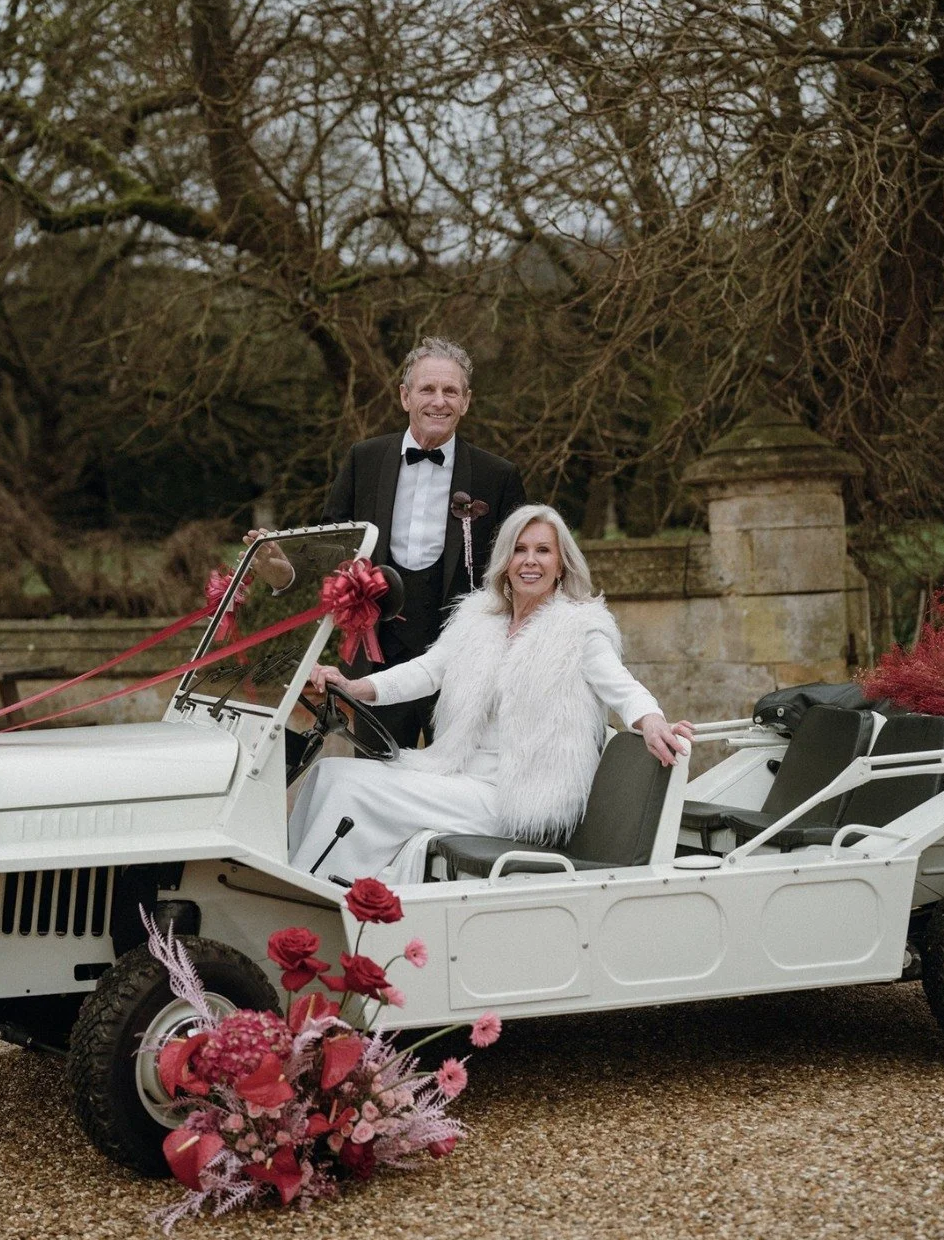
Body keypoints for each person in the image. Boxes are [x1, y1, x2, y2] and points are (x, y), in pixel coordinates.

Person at [289, 504, 694, 882]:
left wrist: (653, 719)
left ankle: (323, 898)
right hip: (454, 773)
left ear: (561, 564)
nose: (530, 560)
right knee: (329, 772)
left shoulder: (579, 630)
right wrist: (357, 686)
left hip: (511, 798)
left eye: (543, 551)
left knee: (351, 789)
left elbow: (624, 688)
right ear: (505, 562)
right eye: (519, 549)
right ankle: (299, 881)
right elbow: (428, 671)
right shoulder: (477, 618)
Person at [247, 337, 526, 749]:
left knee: (455, 788)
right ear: (405, 396)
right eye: (427, 389)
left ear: (466, 401)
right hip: (377, 658)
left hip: (463, 661)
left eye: (451, 391)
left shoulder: (496, 476)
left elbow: (518, 570)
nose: (439, 401)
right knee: (378, 783)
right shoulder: (364, 459)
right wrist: (284, 574)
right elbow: (333, 553)